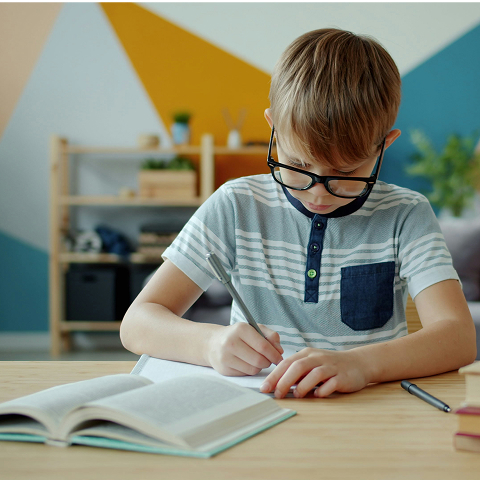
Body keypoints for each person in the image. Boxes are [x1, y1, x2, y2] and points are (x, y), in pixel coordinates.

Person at [120, 28, 476, 399]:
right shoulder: (237, 204)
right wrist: (210, 344)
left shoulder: (406, 214)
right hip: (255, 410)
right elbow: (137, 324)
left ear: (384, 145)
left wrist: (361, 364)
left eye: (346, 173)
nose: (318, 193)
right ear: (274, 128)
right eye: (298, 165)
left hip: (371, 416)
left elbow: (459, 337)